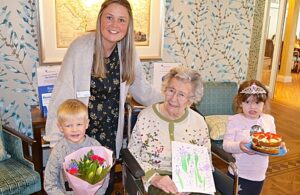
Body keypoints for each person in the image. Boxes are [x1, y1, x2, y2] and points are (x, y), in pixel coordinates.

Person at [44, 0, 162, 193]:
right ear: (100, 19)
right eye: (109, 17)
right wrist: (57, 143)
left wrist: (170, 101)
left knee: (103, 187)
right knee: (78, 188)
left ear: (128, 25)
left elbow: (142, 89)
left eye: (121, 20)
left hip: (108, 137)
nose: (114, 25)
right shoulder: (80, 48)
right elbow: (61, 94)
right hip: (80, 136)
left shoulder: (128, 53)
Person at [128, 67, 212, 194]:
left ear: (191, 99)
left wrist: (191, 182)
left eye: (181, 94)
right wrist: (154, 177)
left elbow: (205, 160)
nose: (173, 98)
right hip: (155, 176)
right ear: (165, 89)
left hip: (189, 180)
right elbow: (133, 153)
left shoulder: (198, 122)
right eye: (171, 90)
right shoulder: (146, 116)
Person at [223, 79, 287, 195]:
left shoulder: (269, 120)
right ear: (240, 103)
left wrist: (278, 145)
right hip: (238, 172)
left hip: (258, 174)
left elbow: (271, 144)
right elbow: (226, 145)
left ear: (264, 103)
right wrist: (239, 146)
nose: (252, 107)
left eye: (257, 103)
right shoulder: (234, 120)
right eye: (247, 102)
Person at [44, 99, 109, 195]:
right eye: (68, 125)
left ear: (86, 124)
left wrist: (98, 193)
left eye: (79, 124)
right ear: (60, 127)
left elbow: (104, 176)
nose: (74, 129)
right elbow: (50, 182)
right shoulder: (59, 151)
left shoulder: (95, 147)